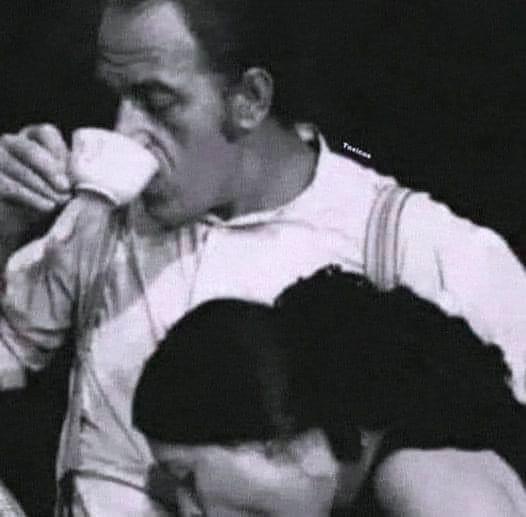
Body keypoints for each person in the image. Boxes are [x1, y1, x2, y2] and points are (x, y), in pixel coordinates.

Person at [0, 0, 525, 514]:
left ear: (250, 99)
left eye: (156, 102)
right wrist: (5, 229)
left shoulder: (425, 247)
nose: (124, 132)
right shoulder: (97, 223)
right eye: (116, 98)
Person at [133, 268, 526, 516]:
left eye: (186, 477)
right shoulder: (353, 488)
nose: (189, 511)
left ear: (274, 439)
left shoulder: (421, 480)